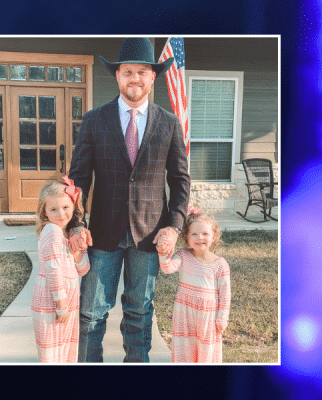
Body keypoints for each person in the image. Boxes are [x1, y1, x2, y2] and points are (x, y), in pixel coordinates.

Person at [68, 37, 191, 362]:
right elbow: (78, 178)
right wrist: (75, 225)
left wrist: (174, 228)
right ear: (118, 76)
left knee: (139, 312)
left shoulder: (169, 123)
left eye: (141, 72)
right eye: (127, 72)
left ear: (153, 77)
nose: (134, 78)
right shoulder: (95, 120)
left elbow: (180, 181)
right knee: (92, 313)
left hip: (150, 237)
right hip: (102, 235)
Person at [158, 209, 231, 363]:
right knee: (185, 350)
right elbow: (167, 268)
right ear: (186, 237)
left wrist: (222, 318)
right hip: (185, 313)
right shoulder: (183, 256)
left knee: (206, 352)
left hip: (208, 317)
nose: (200, 238)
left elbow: (225, 295)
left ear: (214, 236)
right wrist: (162, 251)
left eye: (205, 234)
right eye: (194, 234)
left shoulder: (220, 265)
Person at [31, 176, 90, 363]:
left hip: (67, 304)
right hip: (52, 303)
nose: (61, 214)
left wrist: (76, 252)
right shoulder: (52, 232)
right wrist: (61, 305)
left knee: (65, 354)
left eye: (65, 207)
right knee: (52, 356)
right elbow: (53, 270)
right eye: (53, 209)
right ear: (44, 212)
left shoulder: (70, 233)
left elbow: (84, 269)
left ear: (74, 207)